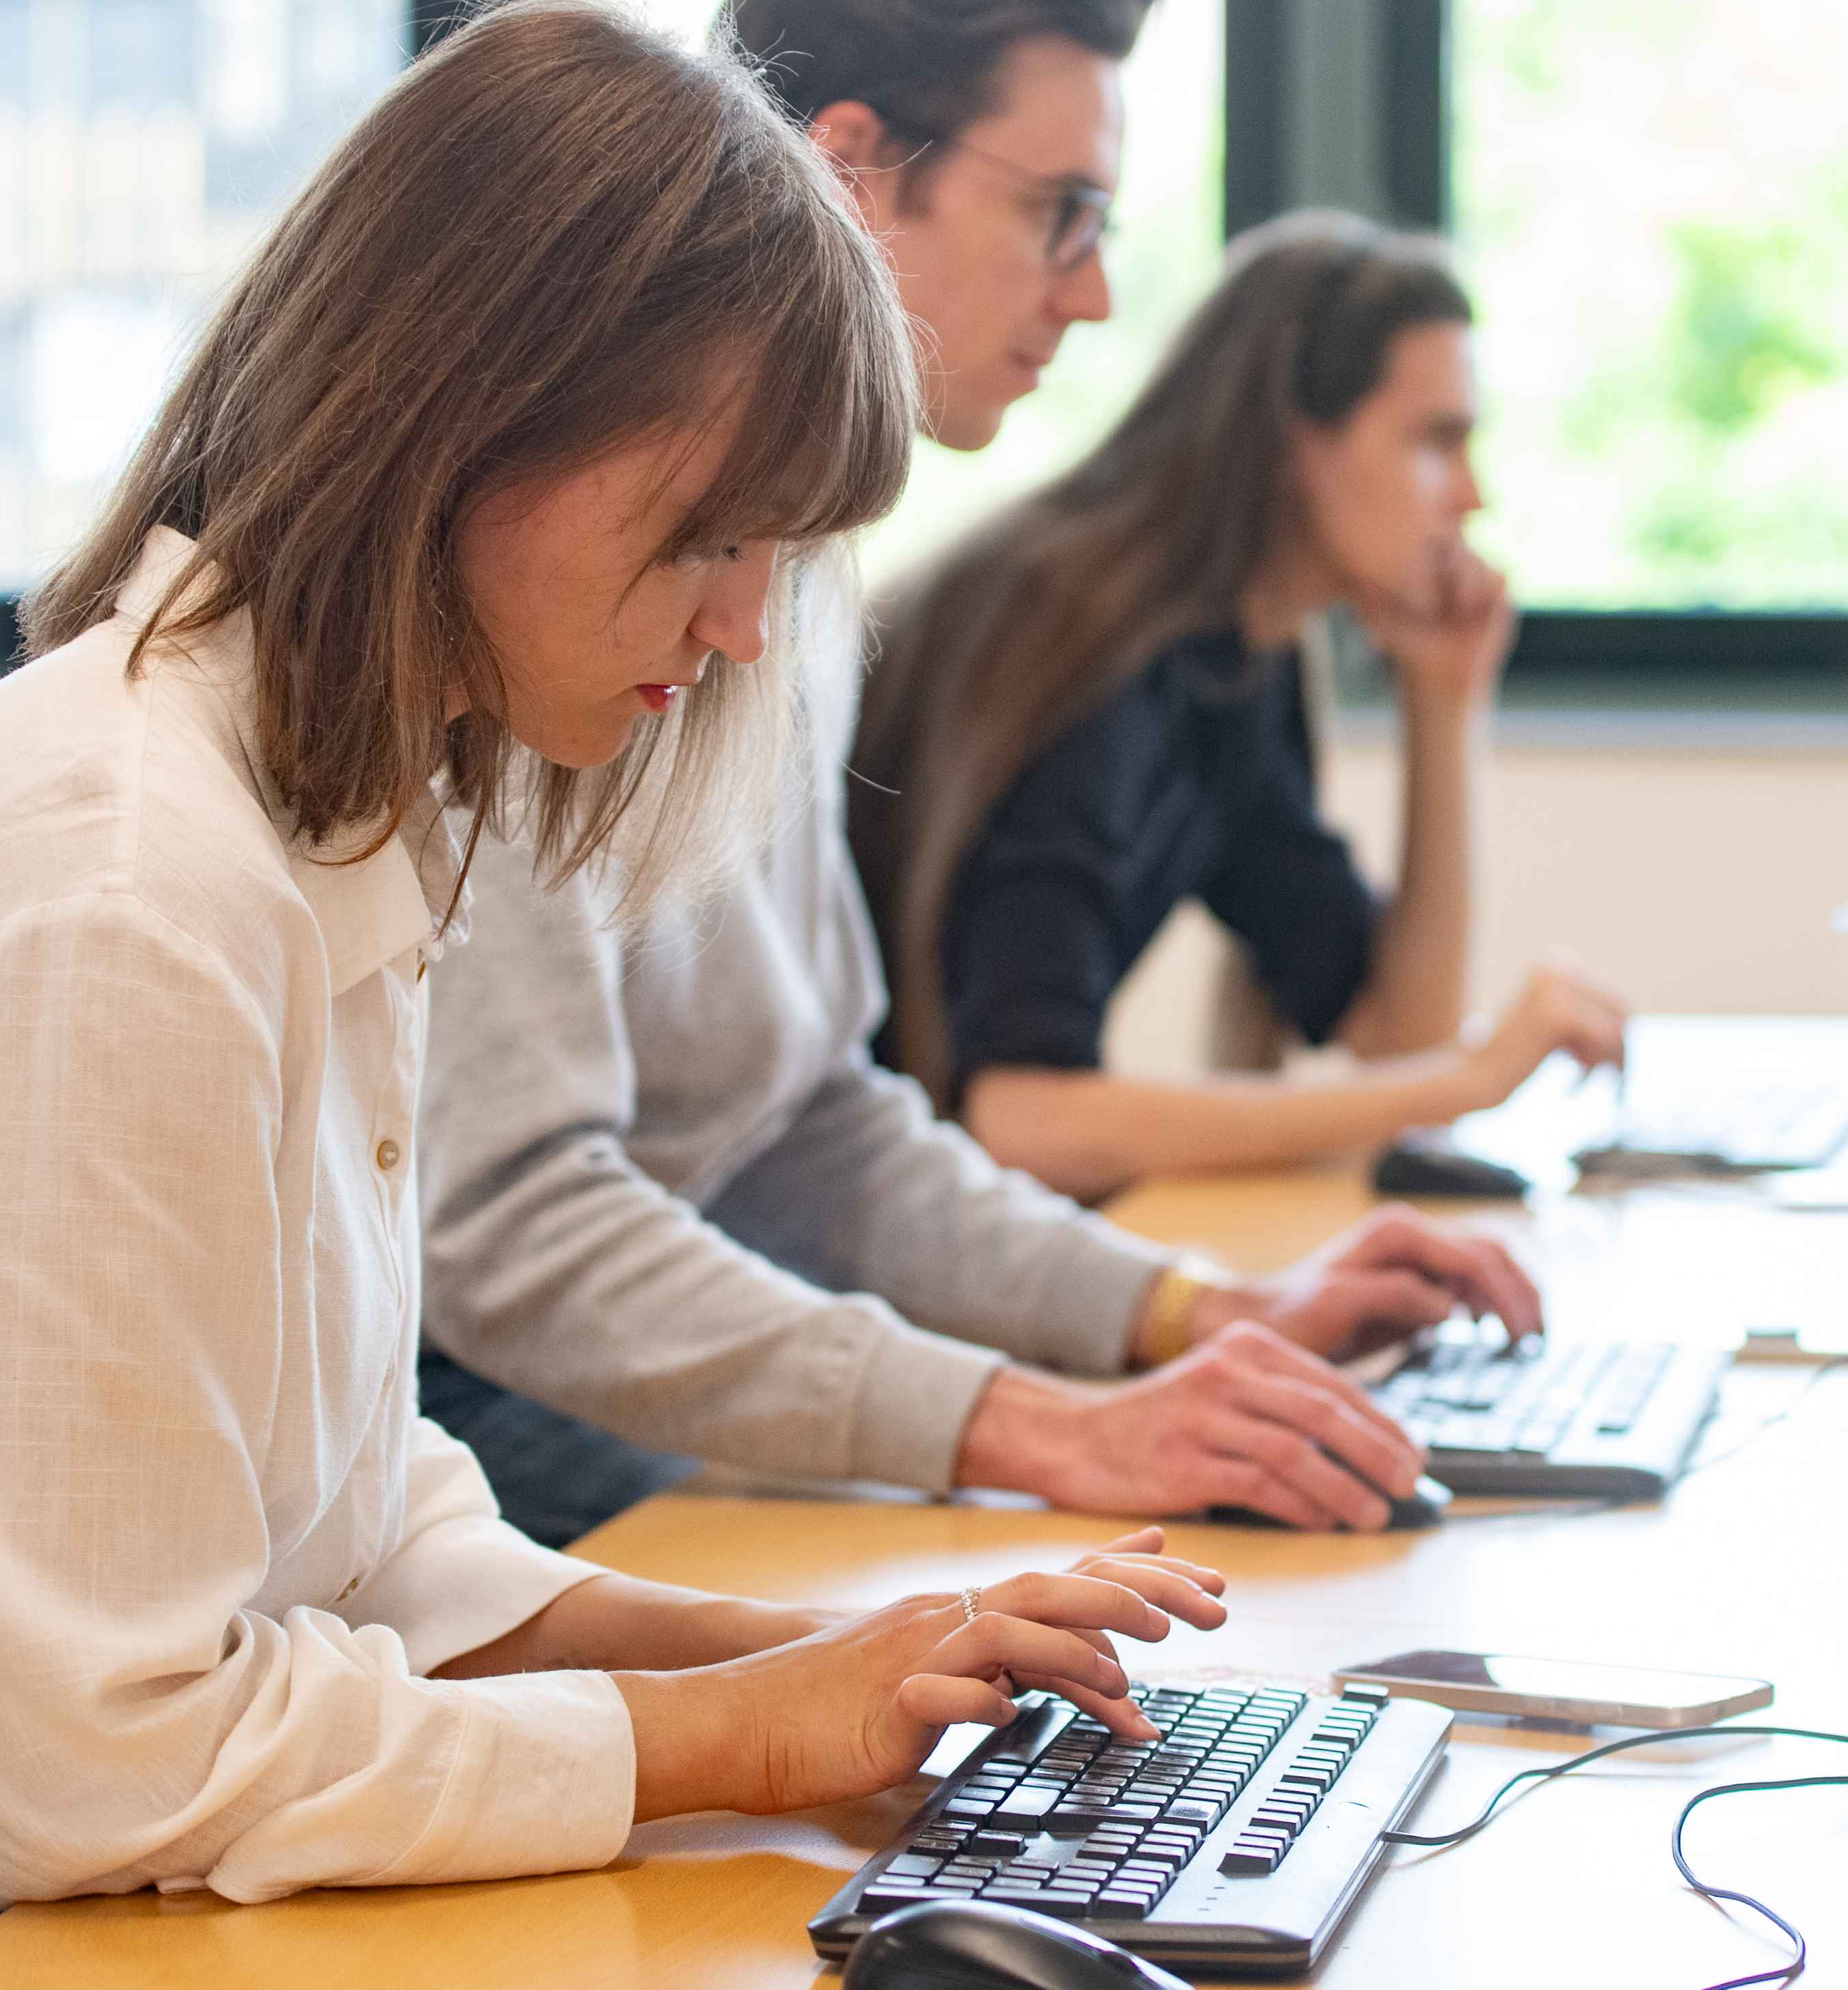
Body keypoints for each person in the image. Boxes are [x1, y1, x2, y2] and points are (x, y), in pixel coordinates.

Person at [0, 13, 1220, 1985]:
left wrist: (832, 1670)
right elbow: (80, 1759)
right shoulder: (124, 898)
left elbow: (351, 1517)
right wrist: (736, 1729)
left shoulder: (315, 808)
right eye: (707, 535)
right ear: (465, 429)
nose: (743, 627)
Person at [413, 0, 1527, 1553]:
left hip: (665, 1345)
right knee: (1086, 1606)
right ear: (855, 172)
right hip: (469, 1417)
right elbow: (515, 1235)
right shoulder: (575, 572)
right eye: (1059, 212)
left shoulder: (789, 577)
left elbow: (811, 1120)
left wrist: (1189, 1314)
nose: (1091, 292)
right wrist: (1044, 1423)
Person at [850, 212, 1627, 1206]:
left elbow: (1398, 1027)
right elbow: (1023, 1120)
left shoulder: (1233, 665)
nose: (1471, 495)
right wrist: (1463, 1081)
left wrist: (1444, 700)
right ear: (1293, 440)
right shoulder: (1092, 646)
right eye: (1437, 440)